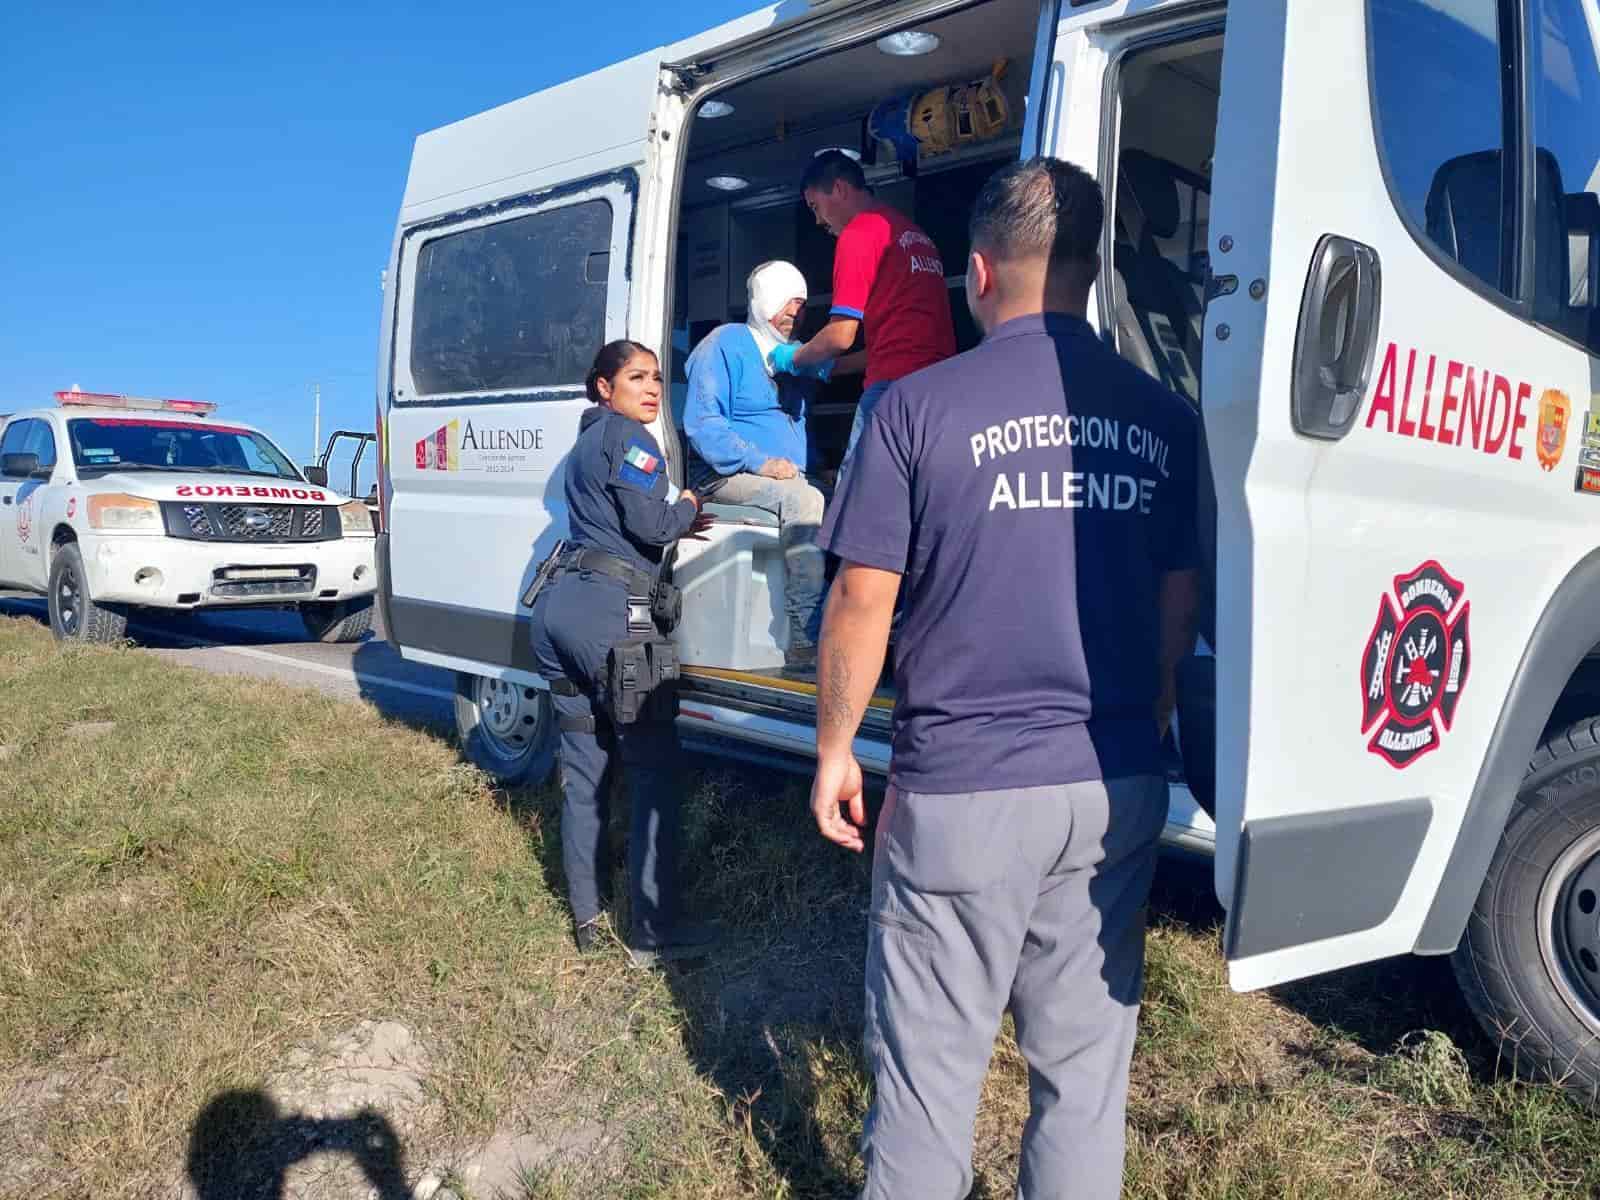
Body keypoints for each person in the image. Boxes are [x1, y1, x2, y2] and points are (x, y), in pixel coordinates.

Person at [809, 158, 1202, 1198]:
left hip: (963, 789)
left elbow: (860, 600)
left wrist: (836, 748)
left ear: (978, 273)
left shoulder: (916, 410)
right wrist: (1146, 714)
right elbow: (1176, 602)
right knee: (1083, 1075)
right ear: (1090, 269)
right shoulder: (1164, 421)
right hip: (1113, 786)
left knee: (929, 1076)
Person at [530, 339, 718, 967]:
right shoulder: (633, 439)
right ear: (603, 387)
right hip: (613, 617)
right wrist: (688, 504)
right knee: (655, 768)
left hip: (559, 610)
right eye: (636, 376)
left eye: (658, 379)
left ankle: (587, 918)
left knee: (584, 774)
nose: (652, 388)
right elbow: (654, 527)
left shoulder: (581, 447)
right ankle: (653, 931)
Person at [768, 150, 957, 469]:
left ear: (839, 189)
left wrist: (794, 357)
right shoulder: (913, 235)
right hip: (939, 392)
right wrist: (829, 368)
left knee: (856, 499)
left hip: (892, 392)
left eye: (816, 206)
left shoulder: (859, 234)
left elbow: (841, 335)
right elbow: (894, 344)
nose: (817, 220)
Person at [684, 260, 829, 672]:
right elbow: (704, 424)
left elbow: (795, 426)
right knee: (804, 502)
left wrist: (820, 467)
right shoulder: (724, 343)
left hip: (786, 476)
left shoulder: (790, 358)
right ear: (766, 298)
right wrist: (760, 462)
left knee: (853, 498)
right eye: (788, 303)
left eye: (801, 307)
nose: (795, 314)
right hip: (724, 475)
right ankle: (804, 637)